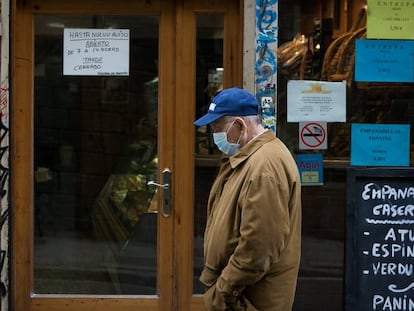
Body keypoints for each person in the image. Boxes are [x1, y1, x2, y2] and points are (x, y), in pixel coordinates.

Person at [194, 87, 302, 311]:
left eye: (217, 129)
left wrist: (224, 290)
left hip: (251, 298)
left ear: (240, 125)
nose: (215, 137)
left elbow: (258, 247)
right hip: (241, 295)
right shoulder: (248, 158)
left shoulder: (264, 166)